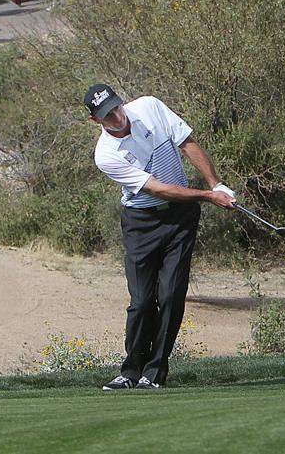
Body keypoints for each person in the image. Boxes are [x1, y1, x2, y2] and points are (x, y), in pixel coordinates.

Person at [87, 84, 235, 390]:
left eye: (117, 108)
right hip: (141, 223)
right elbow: (157, 188)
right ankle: (130, 371)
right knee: (142, 301)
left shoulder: (150, 107)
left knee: (170, 296)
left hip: (180, 219)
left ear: (121, 101)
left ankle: (154, 373)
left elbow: (187, 142)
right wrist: (208, 196)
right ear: (96, 121)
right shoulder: (106, 155)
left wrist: (216, 183)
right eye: (108, 116)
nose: (117, 117)